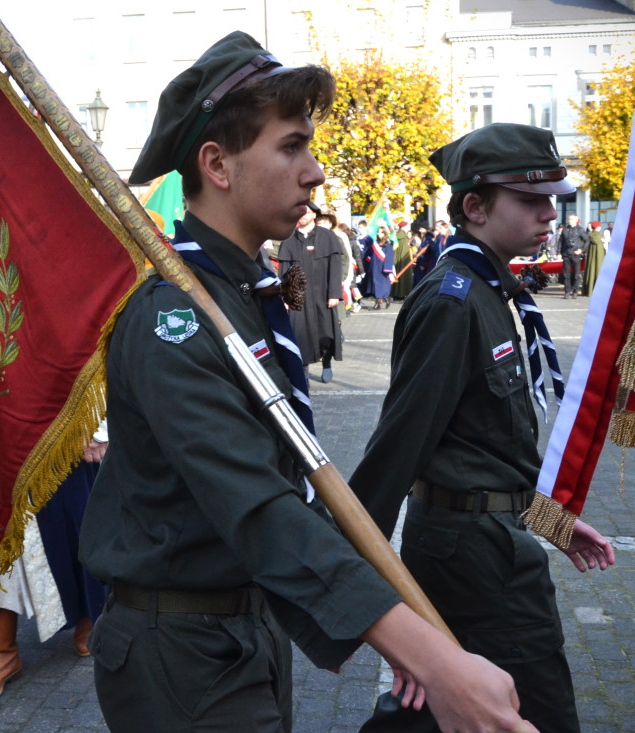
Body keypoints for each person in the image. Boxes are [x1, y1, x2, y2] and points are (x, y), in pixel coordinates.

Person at [79, 31, 538, 733]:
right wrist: (431, 654)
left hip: (247, 634)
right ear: (218, 165)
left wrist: (400, 626)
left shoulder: (241, 298)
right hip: (182, 652)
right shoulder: (175, 316)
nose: (316, 171)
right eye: (292, 147)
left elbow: (297, 481)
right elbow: (260, 505)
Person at [350, 122, 615, 733]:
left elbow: (485, 449)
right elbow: (396, 453)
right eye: (531, 199)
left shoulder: (495, 290)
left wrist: (553, 521)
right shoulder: (453, 301)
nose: (551, 212)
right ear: (474, 206)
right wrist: (371, 606)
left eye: (553, 198)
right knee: (532, 711)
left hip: (489, 546)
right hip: (472, 562)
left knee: (445, 713)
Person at [0, 430, 108, 703]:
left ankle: (89, 614)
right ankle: (0, 654)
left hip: (59, 418)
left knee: (73, 515)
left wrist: (98, 427)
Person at [277, 203, 343, 382]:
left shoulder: (328, 237)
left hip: (323, 295)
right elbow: (284, 271)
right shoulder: (289, 239)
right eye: (300, 212)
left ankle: (326, 362)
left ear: (314, 215)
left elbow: (336, 266)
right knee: (299, 334)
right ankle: (303, 373)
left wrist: (334, 293)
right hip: (299, 297)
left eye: (307, 212)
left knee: (327, 334)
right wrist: (285, 297)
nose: (303, 215)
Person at [364, 223, 395, 309]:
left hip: (382, 267)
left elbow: (389, 257)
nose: (378, 234)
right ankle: (382, 299)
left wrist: (387, 269)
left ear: (385, 234)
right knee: (375, 285)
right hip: (375, 267)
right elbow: (370, 254)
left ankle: (380, 301)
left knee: (382, 285)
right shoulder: (375, 243)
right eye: (378, 232)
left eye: (381, 232)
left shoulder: (388, 244)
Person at [559, 213, 587, 299]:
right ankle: (567, 292)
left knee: (576, 274)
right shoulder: (565, 229)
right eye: (569, 219)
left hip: (575, 254)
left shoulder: (580, 230)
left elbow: (587, 240)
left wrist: (581, 250)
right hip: (566, 254)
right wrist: (559, 253)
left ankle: (575, 291)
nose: (569, 221)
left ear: (576, 220)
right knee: (566, 275)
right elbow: (561, 242)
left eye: (571, 219)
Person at [582, 220, 606, 297]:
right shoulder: (595, 234)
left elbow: (595, 240)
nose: (600, 228)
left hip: (598, 257)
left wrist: (590, 231)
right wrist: (591, 231)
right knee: (593, 271)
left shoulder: (596, 234)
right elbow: (594, 240)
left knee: (595, 271)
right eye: (599, 226)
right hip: (594, 257)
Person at [391, 219, 413, 298]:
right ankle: (401, 293)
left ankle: (397, 293)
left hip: (399, 257)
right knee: (403, 274)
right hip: (403, 258)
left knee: (399, 272)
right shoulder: (403, 235)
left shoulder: (398, 234)